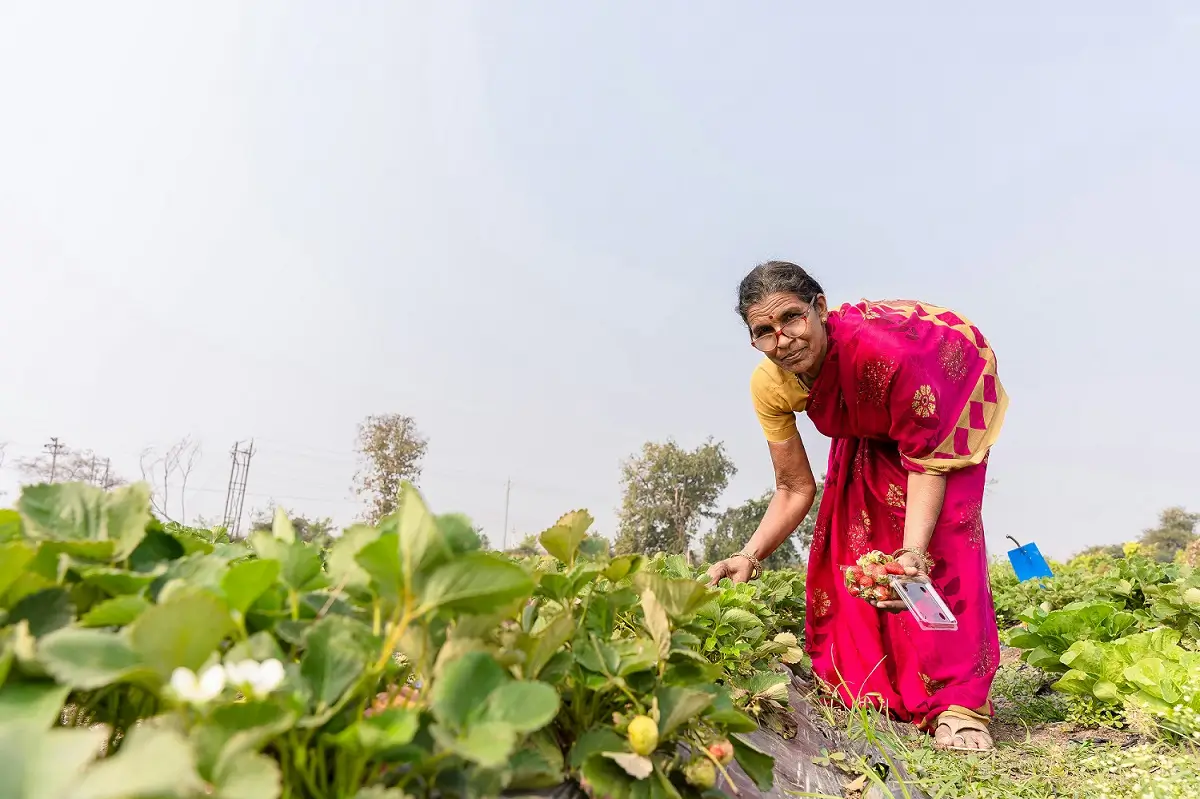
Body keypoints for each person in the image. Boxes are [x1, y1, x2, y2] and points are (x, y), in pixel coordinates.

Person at [706, 261, 1008, 752]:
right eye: (764, 331)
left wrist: (913, 554)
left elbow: (926, 466)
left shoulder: (887, 355)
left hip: (943, 389)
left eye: (793, 318)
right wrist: (748, 555)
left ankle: (958, 703)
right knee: (856, 536)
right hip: (870, 417)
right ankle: (877, 683)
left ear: (820, 308)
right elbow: (794, 488)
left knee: (941, 541)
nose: (783, 340)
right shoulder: (771, 385)